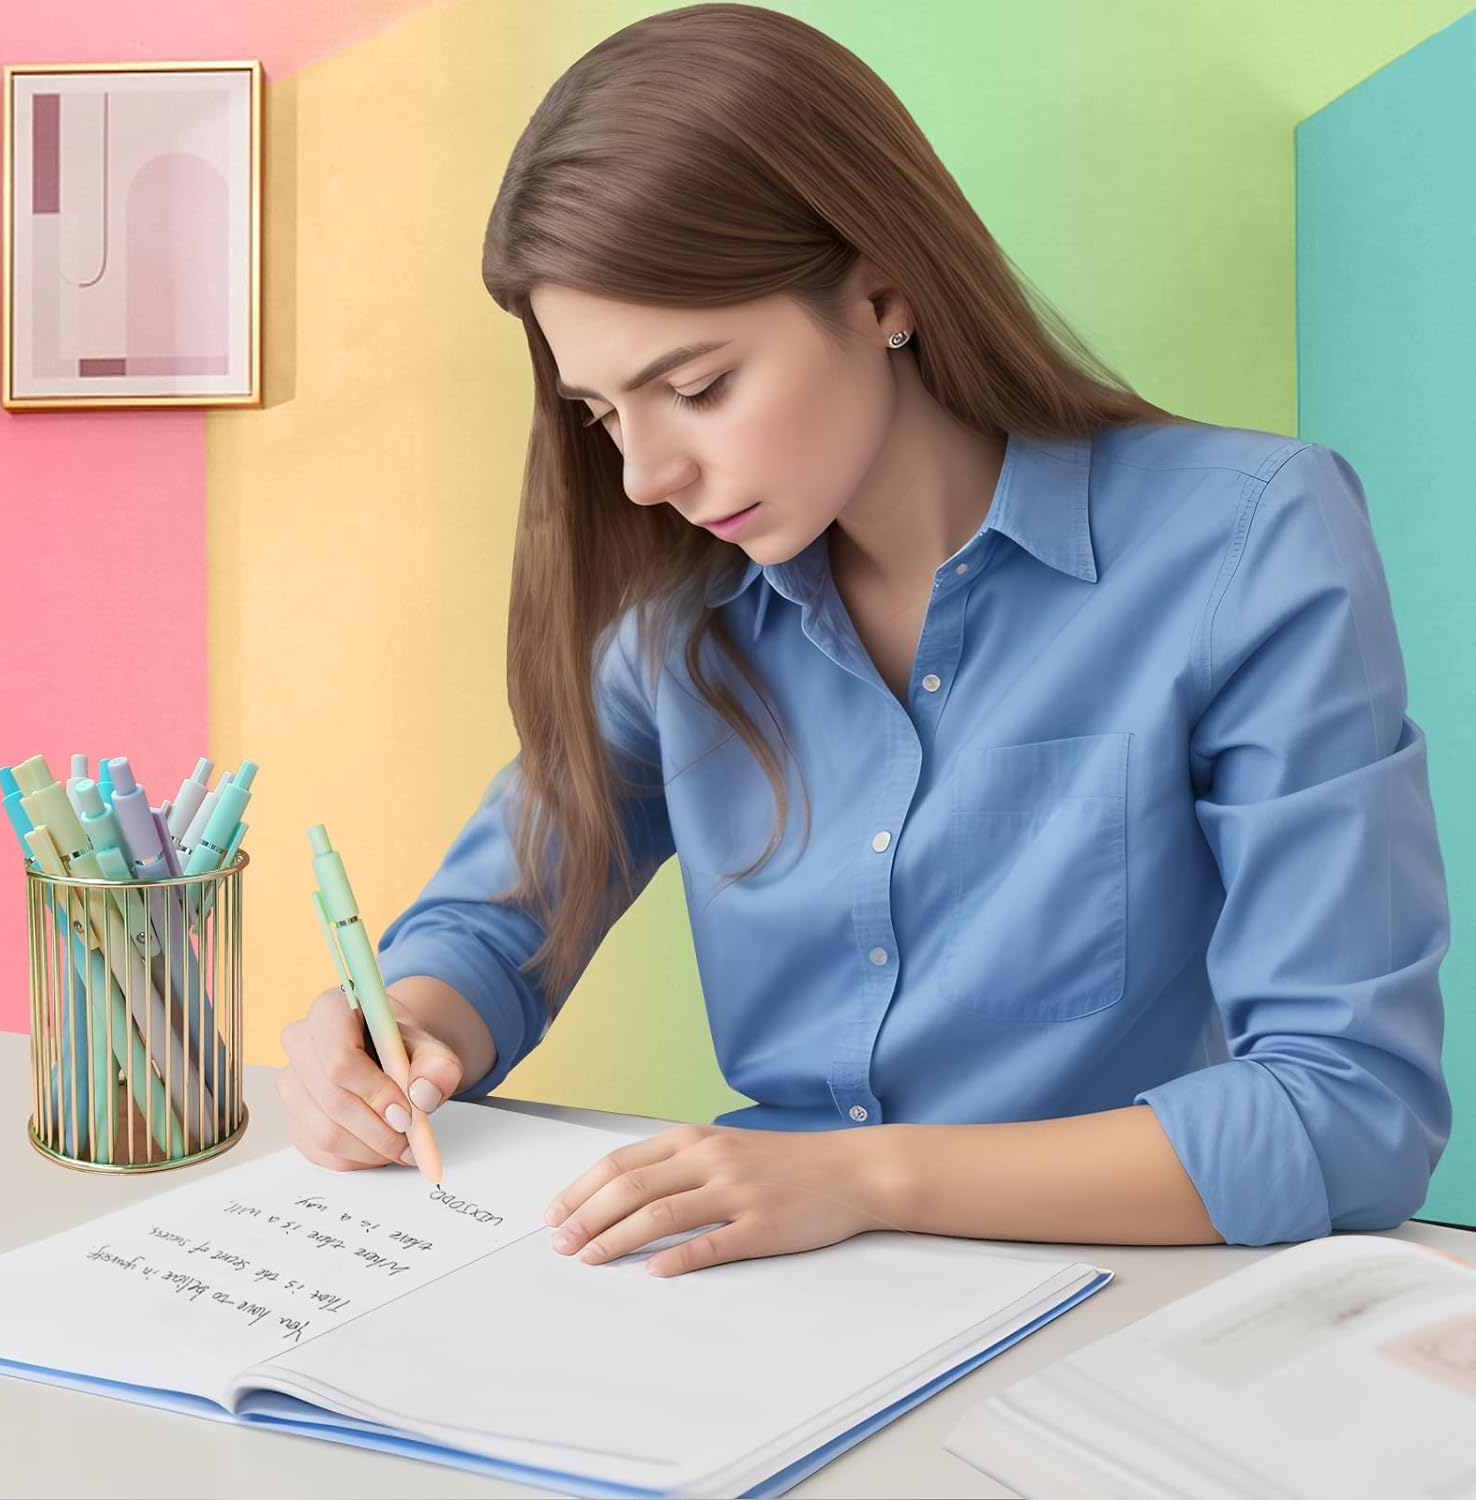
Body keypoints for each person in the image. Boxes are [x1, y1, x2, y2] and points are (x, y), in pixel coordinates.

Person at [277, 3, 1451, 1278]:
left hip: (1115, 1305)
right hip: (752, 1306)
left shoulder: (1246, 541)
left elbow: (1349, 1113)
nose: (644, 475)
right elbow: (498, 923)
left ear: (882, 291)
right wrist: (396, 1028)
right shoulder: (682, 618)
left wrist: (862, 1178)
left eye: (699, 385)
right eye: (602, 411)